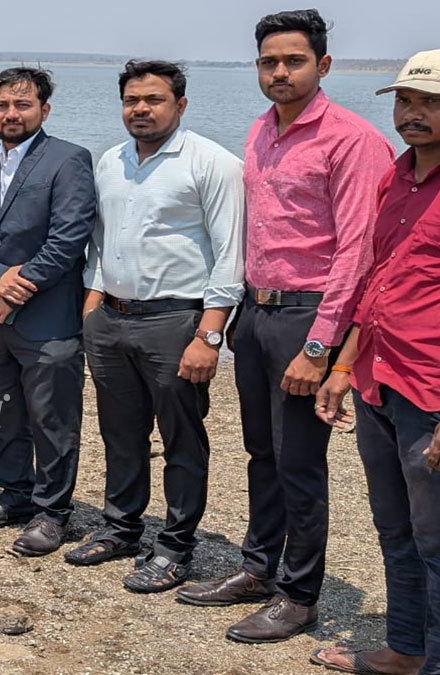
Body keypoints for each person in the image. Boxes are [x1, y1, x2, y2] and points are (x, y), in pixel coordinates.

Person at [176, 9, 395, 644]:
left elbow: (356, 251)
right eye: (269, 61)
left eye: (293, 61)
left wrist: (321, 346)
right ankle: (258, 568)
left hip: (309, 315)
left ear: (323, 66)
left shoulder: (352, 139)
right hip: (257, 312)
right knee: (261, 452)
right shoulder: (261, 132)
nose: (279, 71)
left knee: (300, 461)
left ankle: (299, 596)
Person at [73, 61, 244, 591]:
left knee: (181, 439)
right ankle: (121, 527)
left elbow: (230, 255)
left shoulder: (213, 163)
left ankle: (175, 545)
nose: (141, 109)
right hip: (112, 320)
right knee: (120, 433)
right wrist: (92, 305)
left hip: (177, 322)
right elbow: (100, 243)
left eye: (153, 99)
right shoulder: (110, 161)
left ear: (180, 105)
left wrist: (209, 334)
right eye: (131, 100)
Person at [309, 50, 440, 675]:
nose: (414, 115)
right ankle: (407, 650)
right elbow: (377, 281)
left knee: (438, 539)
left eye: (432, 104)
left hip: (432, 391)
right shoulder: (396, 176)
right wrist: (341, 368)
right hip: (378, 380)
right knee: (396, 529)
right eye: (407, 101)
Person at [0, 67, 95, 550]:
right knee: (2, 412)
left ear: (43, 110)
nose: (12, 114)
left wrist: (14, 286)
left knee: (52, 419)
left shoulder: (69, 159)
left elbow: (68, 238)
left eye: (23, 105)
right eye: (3, 106)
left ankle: (53, 512)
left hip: (49, 316)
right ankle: (14, 494)